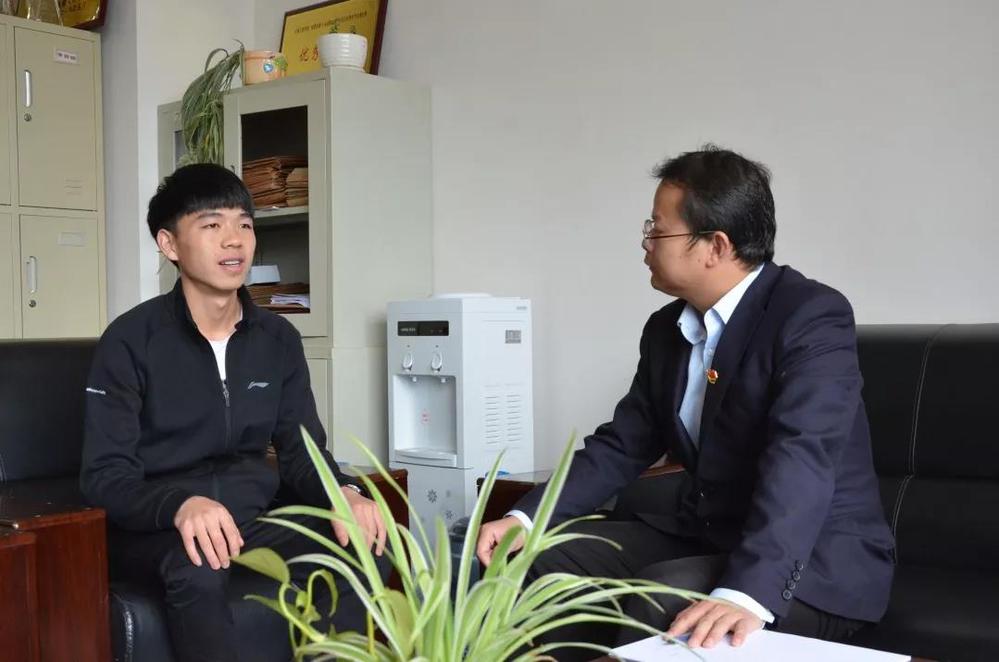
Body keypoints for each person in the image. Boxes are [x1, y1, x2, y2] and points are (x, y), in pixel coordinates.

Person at [476, 146, 895, 659]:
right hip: (710, 537)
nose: (645, 243)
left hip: (812, 562)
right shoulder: (666, 329)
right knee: (540, 561)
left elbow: (802, 455)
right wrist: (525, 520)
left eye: (657, 230)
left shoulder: (810, 315)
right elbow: (620, 445)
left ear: (715, 245)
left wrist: (747, 593)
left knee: (663, 600)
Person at [80, 164, 388, 662]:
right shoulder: (130, 341)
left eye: (244, 224)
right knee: (199, 565)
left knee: (367, 543)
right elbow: (104, 476)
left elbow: (301, 452)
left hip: (249, 518)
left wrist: (345, 494)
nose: (234, 240)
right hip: (160, 528)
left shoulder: (277, 340)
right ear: (169, 244)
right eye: (211, 225)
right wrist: (182, 504)